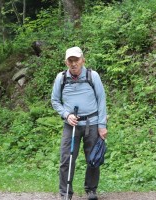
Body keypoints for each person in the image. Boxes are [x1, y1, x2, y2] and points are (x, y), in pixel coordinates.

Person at [51, 46, 108, 200]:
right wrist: (66, 114)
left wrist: (102, 125)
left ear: (82, 60)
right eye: (70, 60)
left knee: (93, 158)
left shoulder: (92, 75)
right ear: (66, 62)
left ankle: (91, 190)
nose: (74, 63)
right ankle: (65, 193)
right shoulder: (61, 78)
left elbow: (101, 100)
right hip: (71, 125)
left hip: (93, 123)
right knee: (66, 159)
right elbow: (55, 101)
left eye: (76, 60)